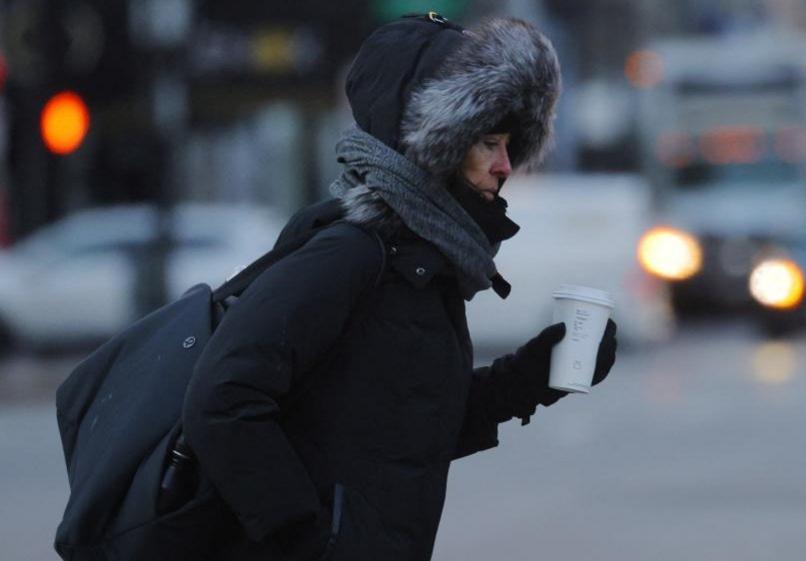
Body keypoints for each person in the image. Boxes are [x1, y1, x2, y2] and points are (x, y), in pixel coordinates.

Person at [181, 13, 618, 561]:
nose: (506, 166)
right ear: (434, 145)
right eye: (488, 142)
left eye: (510, 144)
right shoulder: (349, 256)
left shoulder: (420, 267)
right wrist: (305, 538)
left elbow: (401, 433)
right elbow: (221, 399)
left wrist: (532, 376)